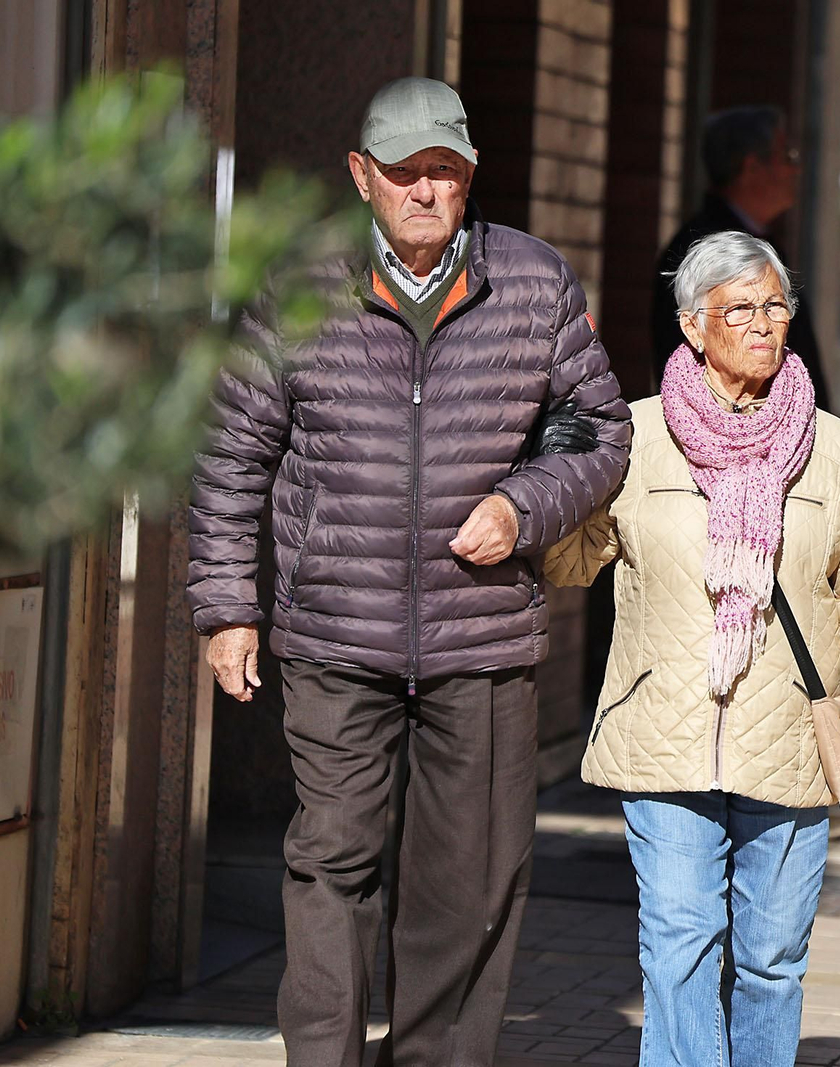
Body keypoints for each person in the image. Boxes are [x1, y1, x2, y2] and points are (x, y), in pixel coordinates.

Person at [185, 77, 632, 1067]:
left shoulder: (534, 279)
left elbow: (598, 434)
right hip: (335, 635)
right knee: (332, 860)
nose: (426, 191)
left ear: (470, 176)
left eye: (446, 171)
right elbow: (231, 457)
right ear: (361, 176)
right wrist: (227, 607)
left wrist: (522, 505)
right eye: (405, 172)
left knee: (469, 884)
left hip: (482, 638)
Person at [547, 231, 840, 1066]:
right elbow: (570, 565)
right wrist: (557, 475)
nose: (761, 323)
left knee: (773, 962)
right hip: (665, 733)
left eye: (774, 304)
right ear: (691, 324)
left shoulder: (836, 450)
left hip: (788, 743)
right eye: (738, 308)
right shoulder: (633, 439)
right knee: (679, 945)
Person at [651, 106, 829, 408]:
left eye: (775, 306)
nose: (795, 169)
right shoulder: (698, 249)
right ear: (752, 167)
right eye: (787, 157)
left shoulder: (764, 242)